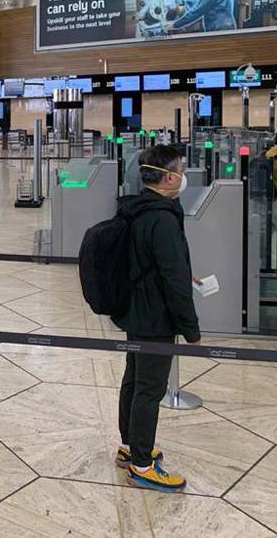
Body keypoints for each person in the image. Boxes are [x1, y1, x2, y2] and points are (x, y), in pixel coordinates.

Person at [112, 144, 201, 493]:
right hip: (155, 318)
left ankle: (130, 446)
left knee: (134, 379)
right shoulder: (162, 219)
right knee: (150, 389)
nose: (183, 175)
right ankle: (143, 464)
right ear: (167, 177)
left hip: (136, 310)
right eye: (180, 169)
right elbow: (174, 280)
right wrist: (190, 327)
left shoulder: (138, 209)